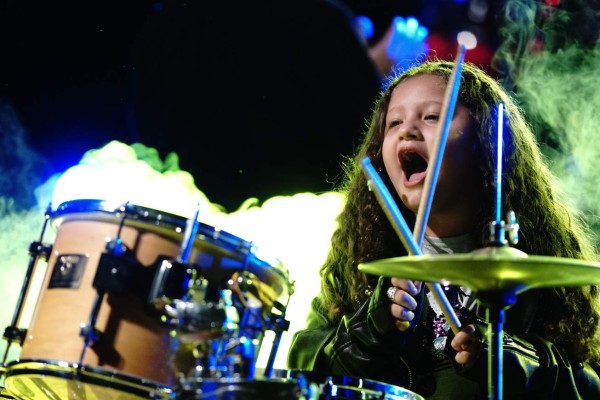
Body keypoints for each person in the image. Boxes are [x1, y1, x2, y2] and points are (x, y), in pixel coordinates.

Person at [286, 59, 600, 399]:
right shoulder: (356, 266)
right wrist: (369, 329)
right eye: (393, 122)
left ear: (485, 142)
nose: (407, 130)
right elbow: (304, 372)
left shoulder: (538, 272)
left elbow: (591, 382)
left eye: (432, 116)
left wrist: (513, 358)